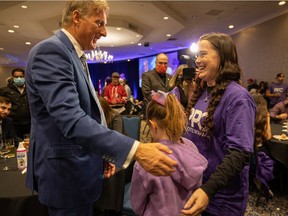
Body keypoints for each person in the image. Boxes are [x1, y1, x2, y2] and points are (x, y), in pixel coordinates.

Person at [24, 1, 177, 215]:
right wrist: (137, 149)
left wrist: (102, 152)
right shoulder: (52, 51)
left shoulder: (74, 55)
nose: (104, 32)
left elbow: (89, 113)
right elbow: (72, 120)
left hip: (78, 172)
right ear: (76, 17)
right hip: (66, 178)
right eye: (99, 23)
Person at [183, 32, 256, 216]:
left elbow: (239, 154)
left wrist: (208, 189)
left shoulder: (238, 98)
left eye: (203, 54)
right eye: (197, 55)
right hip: (197, 188)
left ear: (222, 56)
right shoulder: (202, 91)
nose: (197, 60)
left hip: (222, 199)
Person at [130, 89, 207, 216]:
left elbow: (137, 204)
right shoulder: (191, 148)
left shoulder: (147, 159)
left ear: (152, 125)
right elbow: (196, 188)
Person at [95, 97, 125, 216]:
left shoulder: (115, 116)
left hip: (121, 152)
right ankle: (97, 206)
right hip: (102, 153)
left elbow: (117, 140)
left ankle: (112, 209)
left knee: (114, 171)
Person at [250, 93, 275, 202]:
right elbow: (268, 136)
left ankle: (256, 179)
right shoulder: (263, 117)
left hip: (247, 154)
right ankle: (261, 180)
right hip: (258, 155)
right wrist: (268, 119)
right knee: (276, 156)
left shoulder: (247, 114)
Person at [0, 68, 31, 139]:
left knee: (29, 143)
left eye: (21, 76)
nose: (19, 78)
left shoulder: (30, 89)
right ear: (12, 77)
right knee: (14, 143)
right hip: (14, 123)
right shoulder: (5, 90)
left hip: (29, 122)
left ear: (24, 77)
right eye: (16, 77)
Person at [141, 53, 172, 118]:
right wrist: (164, 101)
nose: (163, 65)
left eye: (165, 63)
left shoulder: (170, 77)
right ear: (155, 63)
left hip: (169, 112)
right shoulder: (147, 75)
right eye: (160, 63)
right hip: (154, 112)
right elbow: (147, 93)